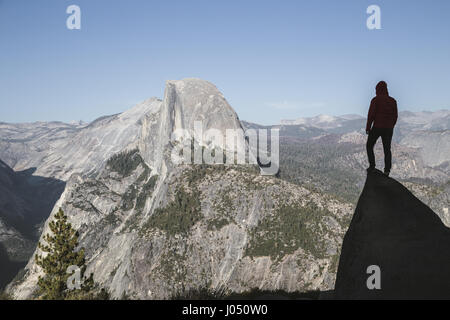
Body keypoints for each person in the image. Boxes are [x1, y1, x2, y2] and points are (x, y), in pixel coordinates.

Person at [366, 81, 398, 176]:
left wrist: (368, 127)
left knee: (369, 145)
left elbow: (371, 115)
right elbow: (395, 116)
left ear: (377, 89)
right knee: (387, 149)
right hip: (388, 128)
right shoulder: (393, 101)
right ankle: (387, 170)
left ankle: (372, 166)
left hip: (377, 127)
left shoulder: (375, 100)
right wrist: (391, 126)